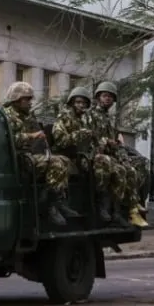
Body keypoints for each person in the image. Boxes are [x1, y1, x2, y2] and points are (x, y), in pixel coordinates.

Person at [1, 81, 76, 226]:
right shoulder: (8, 117)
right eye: (27, 99)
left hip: (31, 155)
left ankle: (57, 200)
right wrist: (32, 136)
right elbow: (8, 141)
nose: (30, 102)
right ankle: (49, 206)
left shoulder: (27, 115)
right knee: (57, 164)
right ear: (17, 99)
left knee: (65, 161)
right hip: (17, 159)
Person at [52, 87, 119, 223]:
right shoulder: (64, 118)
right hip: (69, 156)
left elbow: (96, 140)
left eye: (84, 103)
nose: (81, 105)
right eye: (78, 102)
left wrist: (106, 143)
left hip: (86, 155)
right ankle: (63, 204)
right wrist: (79, 134)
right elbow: (60, 141)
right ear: (71, 103)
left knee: (116, 166)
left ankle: (111, 207)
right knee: (102, 161)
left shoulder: (87, 119)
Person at [92, 81, 150, 228]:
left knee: (130, 168)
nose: (108, 99)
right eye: (105, 96)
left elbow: (114, 142)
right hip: (95, 155)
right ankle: (106, 208)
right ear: (98, 97)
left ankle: (130, 206)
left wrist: (122, 154)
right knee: (119, 170)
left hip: (108, 155)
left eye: (110, 97)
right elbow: (90, 138)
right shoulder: (90, 115)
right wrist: (107, 142)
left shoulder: (107, 118)